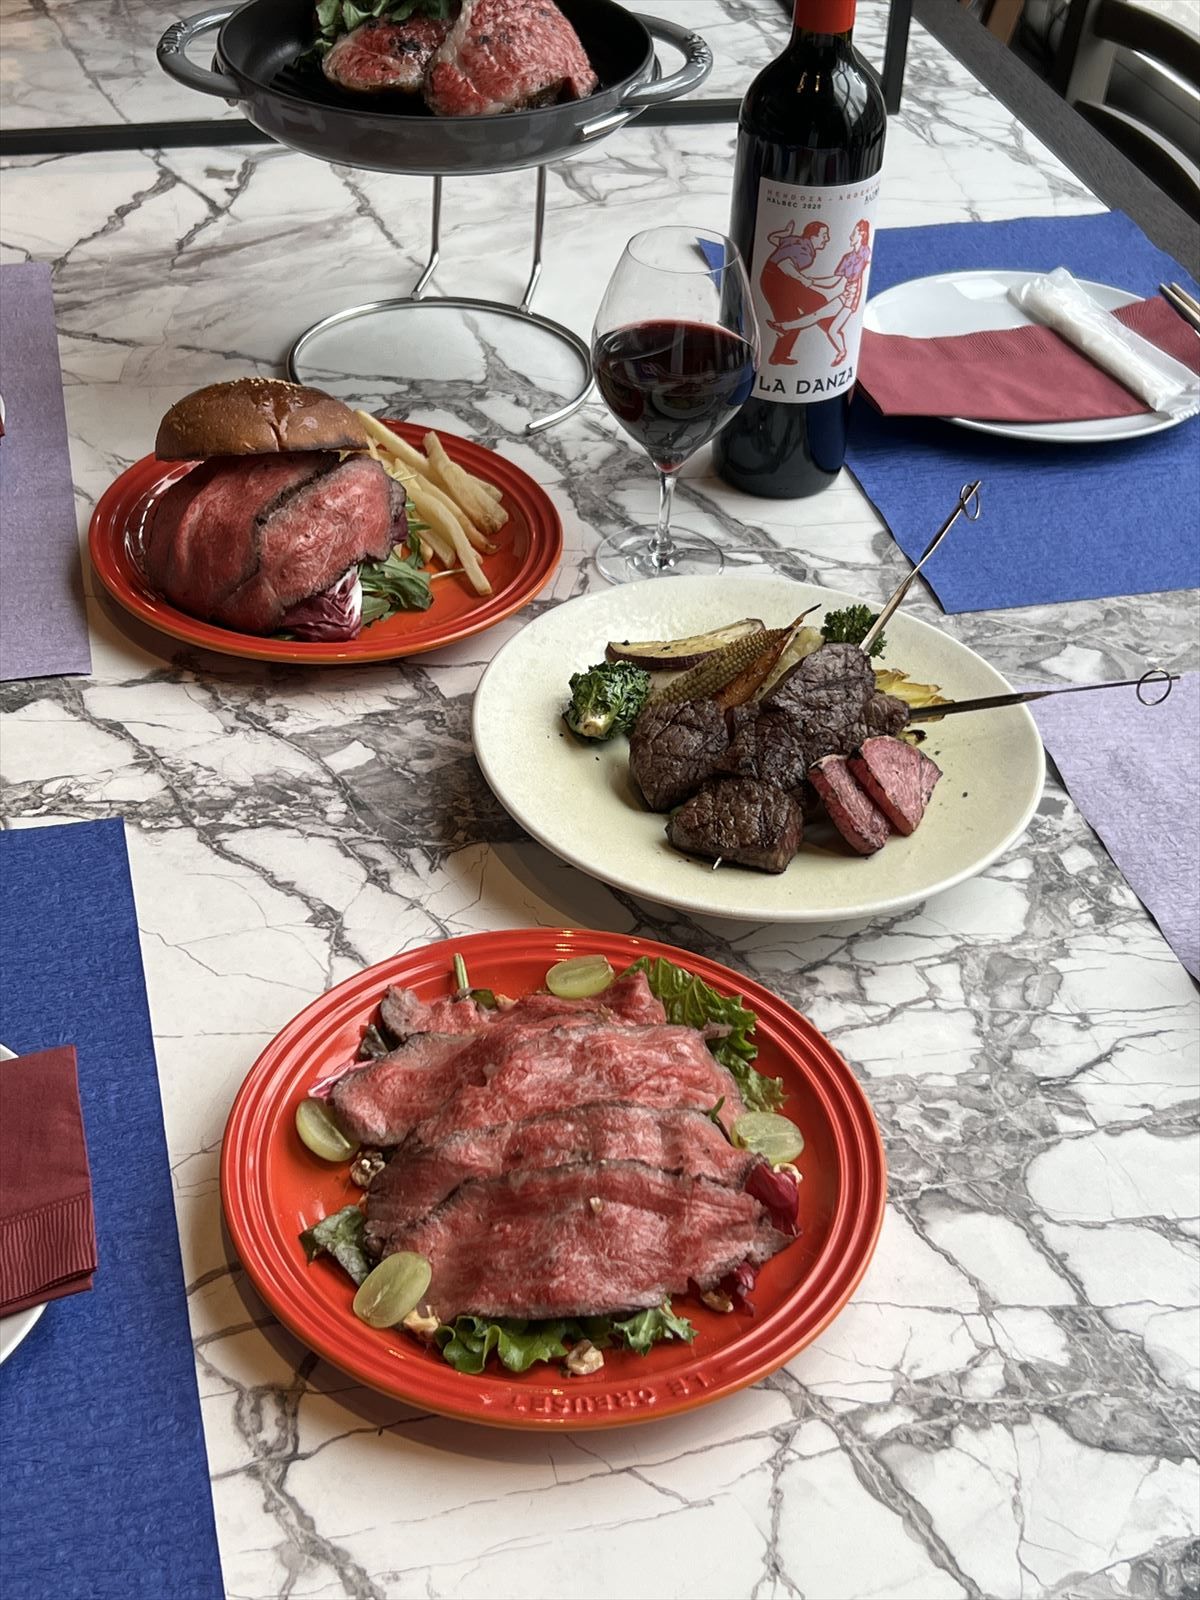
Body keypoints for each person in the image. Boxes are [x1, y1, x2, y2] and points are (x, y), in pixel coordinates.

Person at [766, 219, 873, 368]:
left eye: (854, 233)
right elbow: (832, 280)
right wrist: (808, 280)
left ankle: (786, 330)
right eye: (824, 235)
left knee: (824, 317)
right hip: (841, 295)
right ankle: (784, 331)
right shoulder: (842, 257)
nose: (850, 236)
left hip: (851, 300)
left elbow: (775, 242)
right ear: (813, 236)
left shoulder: (863, 253)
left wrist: (808, 280)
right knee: (817, 314)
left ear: (862, 234)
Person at [758, 220, 832, 365]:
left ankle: (829, 330)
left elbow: (773, 238)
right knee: (793, 320)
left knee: (818, 301)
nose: (827, 239)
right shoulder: (805, 253)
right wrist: (803, 279)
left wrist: (785, 233)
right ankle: (778, 355)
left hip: (780, 280)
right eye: (824, 235)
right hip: (776, 283)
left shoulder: (794, 240)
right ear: (812, 237)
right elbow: (784, 264)